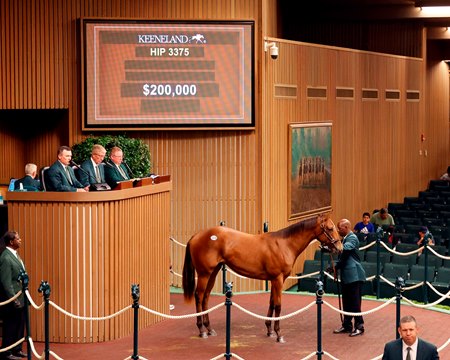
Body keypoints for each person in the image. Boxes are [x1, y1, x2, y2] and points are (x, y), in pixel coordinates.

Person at [333, 219, 366, 337]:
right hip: (347, 276)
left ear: (346, 227)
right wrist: (335, 267)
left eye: (339, 228)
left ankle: (359, 326)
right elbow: (343, 258)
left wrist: (334, 244)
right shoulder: (345, 239)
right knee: (346, 302)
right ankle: (347, 325)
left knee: (355, 303)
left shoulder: (352, 238)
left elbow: (345, 248)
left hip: (355, 275)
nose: (338, 230)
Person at [0, 231, 27, 359]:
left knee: (20, 324)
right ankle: (7, 352)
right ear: (11, 242)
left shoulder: (15, 255)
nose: (20, 240)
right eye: (18, 238)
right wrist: (13, 299)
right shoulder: (5, 257)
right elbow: (6, 281)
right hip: (12, 298)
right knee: (10, 325)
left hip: (21, 297)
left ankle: (17, 349)